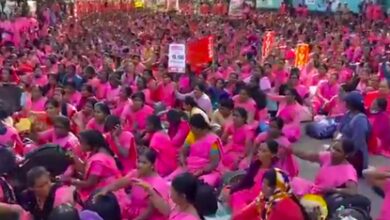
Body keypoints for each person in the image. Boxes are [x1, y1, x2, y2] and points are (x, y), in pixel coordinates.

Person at [97, 149, 170, 220]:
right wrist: (106, 189)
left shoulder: (156, 184)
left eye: (144, 163)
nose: (139, 165)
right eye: (138, 161)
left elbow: (149, 212)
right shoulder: (136, 173)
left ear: (152, 165)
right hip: (133, 213)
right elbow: (120, 183)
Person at [65, 130, 123, 202]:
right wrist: (74, 157)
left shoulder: (98, 161)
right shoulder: (95, 152)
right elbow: (85, 169)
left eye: (81, 143)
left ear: (92, 145)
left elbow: (89, 183)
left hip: (106, 191)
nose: (79, 145)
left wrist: (70, 180)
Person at [166, 114, 222, 187]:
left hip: (209, 172)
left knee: (198, 186)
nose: (191, 130)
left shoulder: (213, 141)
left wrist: (200, 171)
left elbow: (214, 163)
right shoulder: (193, 135)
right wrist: (183, 163)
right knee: (170, 180)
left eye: (192, 128)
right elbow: (183, 151)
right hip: (190, 168)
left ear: (198, 129)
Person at [225, 140, 279, 214]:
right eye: (259, 149)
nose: (259, 153)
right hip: (249, 194)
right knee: (231, 193)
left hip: (261, 200)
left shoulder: (274, 173)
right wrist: (232, 188)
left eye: (264, 151)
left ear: (272, 154)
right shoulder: (255, 165)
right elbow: (246, 182)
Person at [291, 139, 358, 197]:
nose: (333, 152)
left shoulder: (349, 171)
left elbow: (352, 191)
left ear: (346, 155)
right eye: (333, 148)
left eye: (338, 151)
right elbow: (308, 156)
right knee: (292, 181)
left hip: (324, 199)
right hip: (313, 190)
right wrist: (291, 150)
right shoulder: (328, 156)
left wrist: (333, 190)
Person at [233, 168, 307, 220]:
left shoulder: (282, 207)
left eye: (267, 185)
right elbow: (244, 214)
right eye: (263, 183)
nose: (263, 187)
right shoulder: (266, 198)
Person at [338, 91, 371, 176]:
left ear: (352, 104)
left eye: (347, 102)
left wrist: (344, 155)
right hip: (344, 148)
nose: (345, 103)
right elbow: (339, 129)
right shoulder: (348, 114)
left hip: (355, 154)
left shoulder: (360, 120)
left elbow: (357, 143)